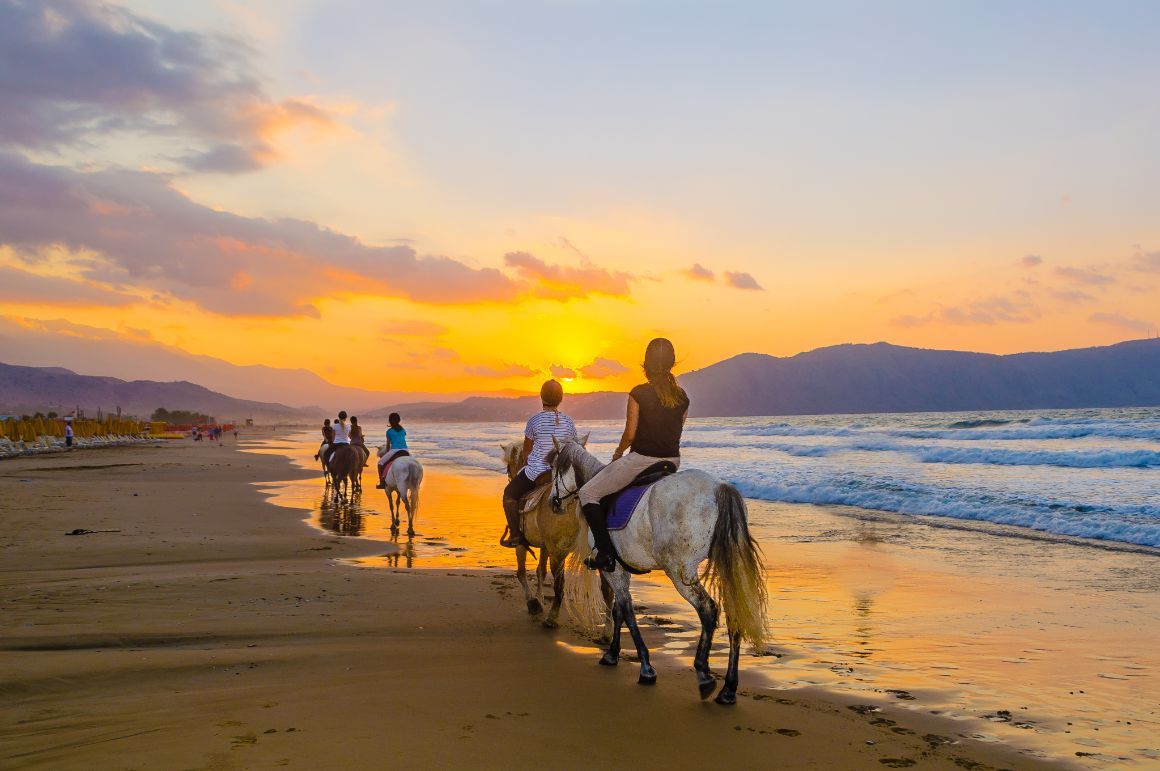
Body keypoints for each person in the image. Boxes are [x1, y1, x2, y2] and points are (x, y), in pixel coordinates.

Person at [578, 338, 689, 571]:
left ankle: (605, 555)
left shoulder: (639, 393)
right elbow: (677, 431)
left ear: (646, 364)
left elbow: (630, 434)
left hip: (641, 460)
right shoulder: (683, 397)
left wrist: (618, 453)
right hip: (672, 461)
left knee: (588, 492)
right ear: (672, 363)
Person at [500, 380, 577, 548]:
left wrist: (529, 462)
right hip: (562, 474)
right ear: (561, 398)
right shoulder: (569, 422)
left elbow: (527, 453)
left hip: (538, 473)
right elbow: (573, 449)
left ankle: (515, 536)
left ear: (541, 397)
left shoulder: (534, 421)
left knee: (509, 495)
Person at [376, 412, 410, 489]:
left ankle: (382, 483)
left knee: (380, 463)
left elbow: (388, 445)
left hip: (394, 450)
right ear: (399, 420)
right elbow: (402, 437)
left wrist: (387, 453)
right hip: (405, 450)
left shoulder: (389, 431)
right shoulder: (402, 430)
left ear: (390, 421)